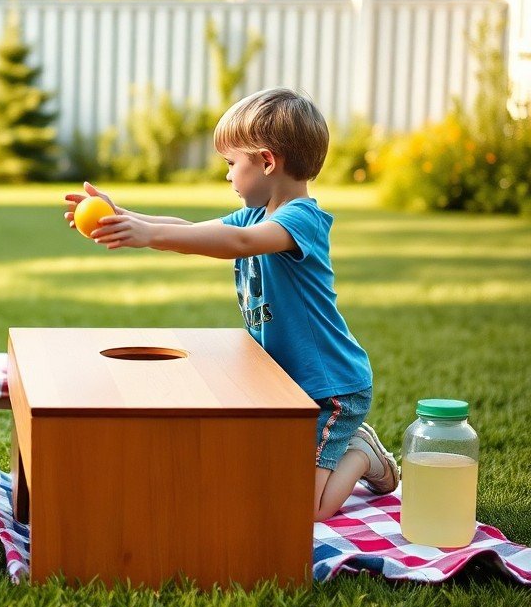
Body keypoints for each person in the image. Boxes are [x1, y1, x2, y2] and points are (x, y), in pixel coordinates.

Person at [64, 88, 398, 521]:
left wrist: (147, 235)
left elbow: (238, 243)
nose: (227, 176)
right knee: (264, 480)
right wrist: (124, 217)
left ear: (267, 161)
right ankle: (332, 456)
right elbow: (191, 229)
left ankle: (362, 454)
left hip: (330, 389)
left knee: (304, 510)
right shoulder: (257, 214)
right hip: (289, 385)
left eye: (230, 163)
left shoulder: (301, 218)